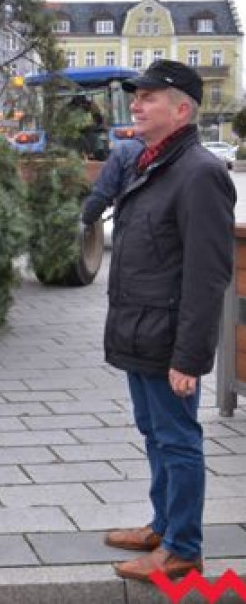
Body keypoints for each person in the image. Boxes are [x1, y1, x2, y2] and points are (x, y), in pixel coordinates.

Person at [102, 59, 236, 582]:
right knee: (155, 432)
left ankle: (183, 547)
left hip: (168, 337)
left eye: (148, 97)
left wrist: (190, 357)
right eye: (137, 96)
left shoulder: (199, 173)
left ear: (181, 110)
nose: (136, 104)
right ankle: (162, 525)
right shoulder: (152, 162)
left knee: (177, 439)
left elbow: (208, 273)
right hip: (141, 329)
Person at [80, 137, 145, 227]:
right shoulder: (126, 150)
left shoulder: (125, 150)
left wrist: (86, 219)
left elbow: (102, 194)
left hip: (131, 226)